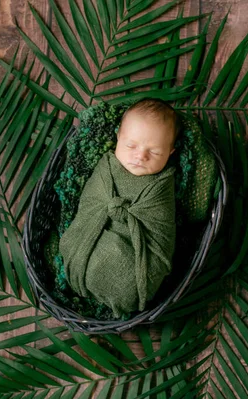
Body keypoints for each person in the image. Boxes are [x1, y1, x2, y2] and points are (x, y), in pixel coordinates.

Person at [59, 98, 182, 318]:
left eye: (154, 152)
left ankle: (120, 291)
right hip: (90, 235)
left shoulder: (162, 185)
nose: (140, 156)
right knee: (70, 246)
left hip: (137, 251)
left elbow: (161, 232)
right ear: (118, 138)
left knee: (131, 283)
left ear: (170, 152)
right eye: (131, 146)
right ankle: (82, 274)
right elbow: (88, 204)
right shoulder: (106, 167)